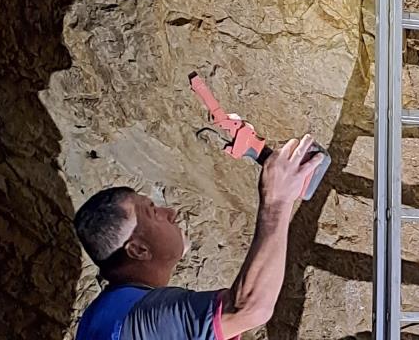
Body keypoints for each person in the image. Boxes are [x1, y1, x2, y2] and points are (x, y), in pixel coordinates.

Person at [72, 134, 326, 340]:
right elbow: (247, 308)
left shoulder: (100, 319)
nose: (170, 213)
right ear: (138, 249)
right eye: (153, 212)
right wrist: (277, 201)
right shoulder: (142, 318)